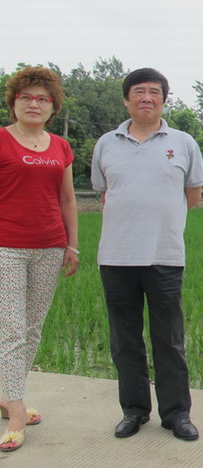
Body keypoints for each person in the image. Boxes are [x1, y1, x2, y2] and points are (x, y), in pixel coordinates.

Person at [91, 68, 203, 442]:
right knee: (125, 341)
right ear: (126, 100)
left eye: (154, 92)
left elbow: (191, 196)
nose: (146, 98)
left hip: (164, 257)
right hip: (116, 258)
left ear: (163, 100)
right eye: (138, 91)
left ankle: (176, 414)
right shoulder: (106, 144)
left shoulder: (184, 142)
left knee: (169, 340)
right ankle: (134, 410)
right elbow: (105, 193)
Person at [0, 67, 79, 453]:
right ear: (13, 103)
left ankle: (6, 394)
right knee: (11, 330)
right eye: (26, 97)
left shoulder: (60, 147)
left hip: (49, 246)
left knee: (32, 330)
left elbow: (67, 198)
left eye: (43, 98)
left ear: (52, 106)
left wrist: (72, 245)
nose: (34, 103)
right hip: (6, 247)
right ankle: (16, 411)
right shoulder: (1, 140)